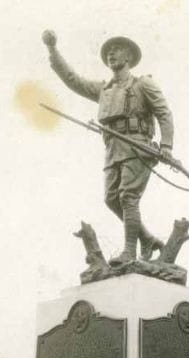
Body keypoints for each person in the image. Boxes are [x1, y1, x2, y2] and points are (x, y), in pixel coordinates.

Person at [43, 30, 174, 264]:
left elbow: (164, 113)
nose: (111, 54)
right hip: (113, 149)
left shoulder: (143, 84)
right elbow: (72, 80)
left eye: (117, 50)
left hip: (138, 147)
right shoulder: (104, 90)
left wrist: (166, 145)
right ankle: (147, 239)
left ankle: (129, 252)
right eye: (108, 52)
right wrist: (52, 50)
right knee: (111, 199)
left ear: (129, 57)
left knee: (128, 196)